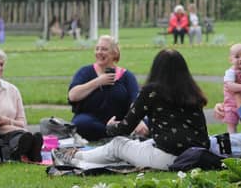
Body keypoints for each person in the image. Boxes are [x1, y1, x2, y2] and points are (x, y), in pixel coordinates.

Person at [53, 49, 209, 170]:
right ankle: (79, 156)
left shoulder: (152, 91)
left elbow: (125, 128)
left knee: (118, 144)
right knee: (141, 144)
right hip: (196, 157)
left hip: (167, 158)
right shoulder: (192, 91)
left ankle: (73, 158)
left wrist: (110, 127)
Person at [68, 35, 145, 141]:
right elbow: (72, 96)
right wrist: (98, 81)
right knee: (80, 124)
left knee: (147, 122)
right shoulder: (85, 71)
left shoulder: (127, 76)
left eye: (104, 49)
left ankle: (117, 131)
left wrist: (136, 121)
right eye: (97, 48)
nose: (99, 52)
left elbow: (135, 102)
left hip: (120, 121)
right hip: (92, 121)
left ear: (114, 53)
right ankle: (114, 133)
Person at [218, 43, 241, 134]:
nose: (240, 59)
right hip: (232, 104)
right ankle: (232, 141)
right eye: (237, 57)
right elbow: (229, 85)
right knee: (232, 125)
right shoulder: (230, 72)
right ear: (231, 59)